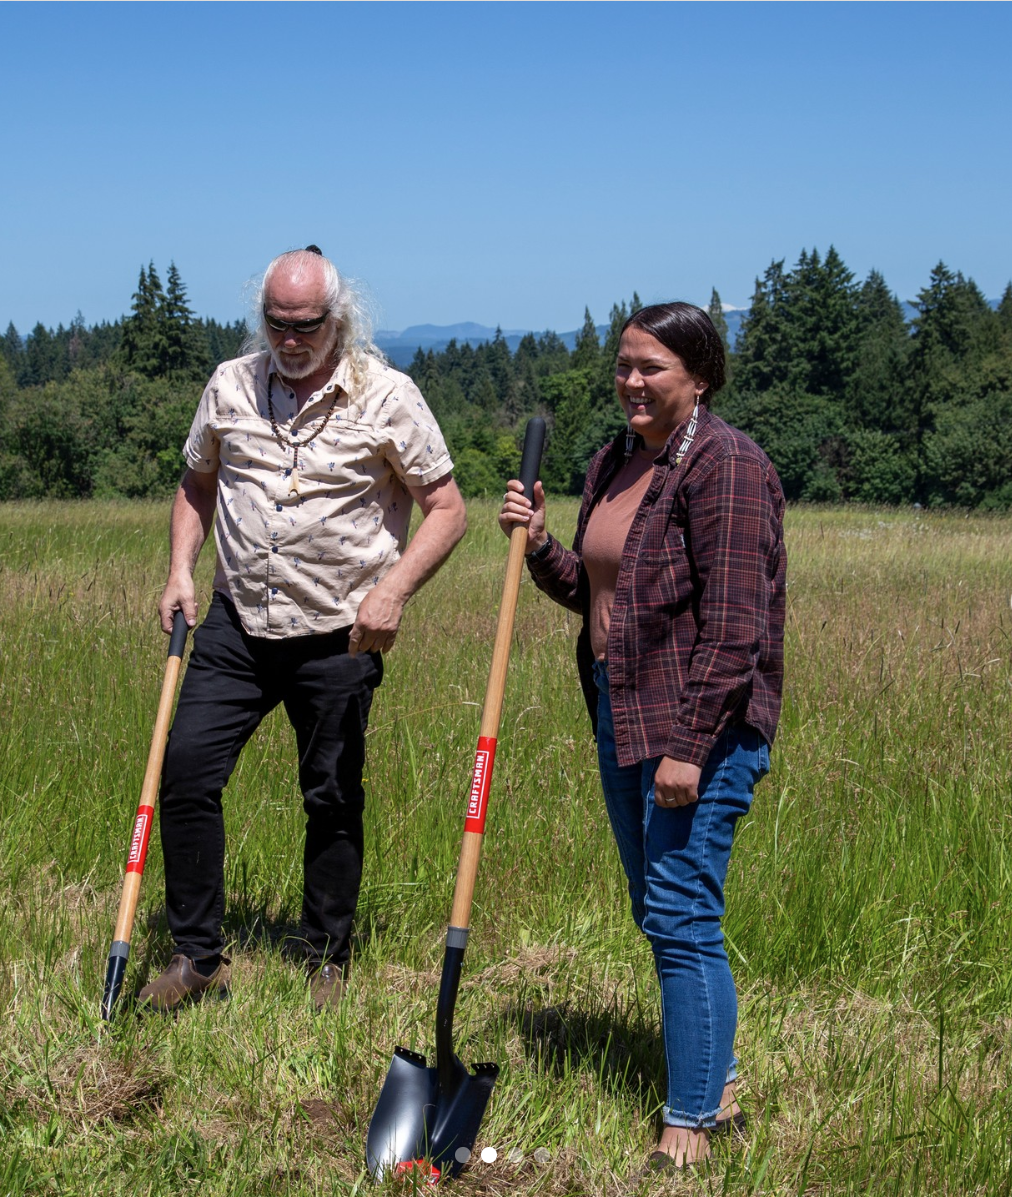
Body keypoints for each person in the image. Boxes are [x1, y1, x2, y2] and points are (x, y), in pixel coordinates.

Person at [139, 246, 466, 1012]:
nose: (291, 339)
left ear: (337, 318)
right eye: (277, 324)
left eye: (306, 324)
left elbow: (447, 509)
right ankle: (197, 957)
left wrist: (394, 592)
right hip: (238, 622)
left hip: (339, 633)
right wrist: (181, 569)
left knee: (329, 793)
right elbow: (197, 481)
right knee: (185, 771)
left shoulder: (387, 395)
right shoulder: (230, 386)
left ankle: (326, 955)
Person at [499, 302, 786, 1170]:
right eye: (623, 363)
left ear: (698, 375)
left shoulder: (726, 466)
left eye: (650, 367)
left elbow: (736, 625)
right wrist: (543, 543)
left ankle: (691, 1127)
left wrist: (691, 746)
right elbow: (601, 598)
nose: (630, 380)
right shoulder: (616, 461)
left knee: (681, 912)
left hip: (699, 729)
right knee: (659, 910)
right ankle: (720, 1075)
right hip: (619, 712)